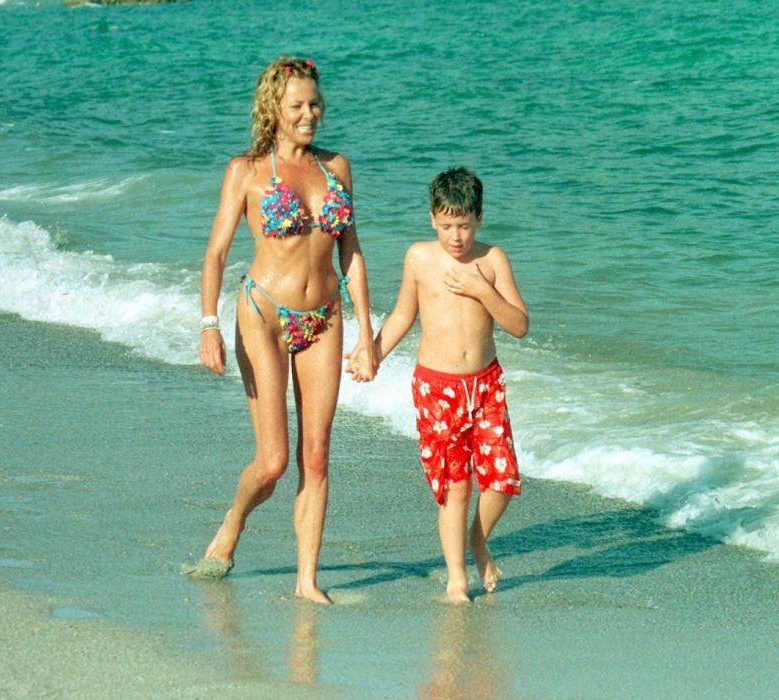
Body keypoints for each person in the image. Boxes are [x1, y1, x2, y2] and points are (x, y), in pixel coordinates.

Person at [184, 56, 379, 604]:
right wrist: (208, 325)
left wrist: (367, 332)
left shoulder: (336, 167)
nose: (309, 114)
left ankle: (306, 581)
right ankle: (234, 521)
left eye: (315, 103)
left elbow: (352, 253)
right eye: (297, 105)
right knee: (274, 461)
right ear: (273, 109)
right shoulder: (245, 171)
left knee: (316, 455)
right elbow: (217, 252)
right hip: (263, 314)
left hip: (325, 317)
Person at [362, 167, 528, 603]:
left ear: (480, 218)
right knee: (455, 486)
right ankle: (457, 578)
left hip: (486, 385)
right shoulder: (419, 258)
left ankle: (478, 539)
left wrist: (482, 290)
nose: (457, 237)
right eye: (448, 226)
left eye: (465, 226)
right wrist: (373, 352)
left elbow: (519, 325)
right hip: (437, 389)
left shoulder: (492, 260)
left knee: (502, 479)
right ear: (432, 219)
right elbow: (403, 315)